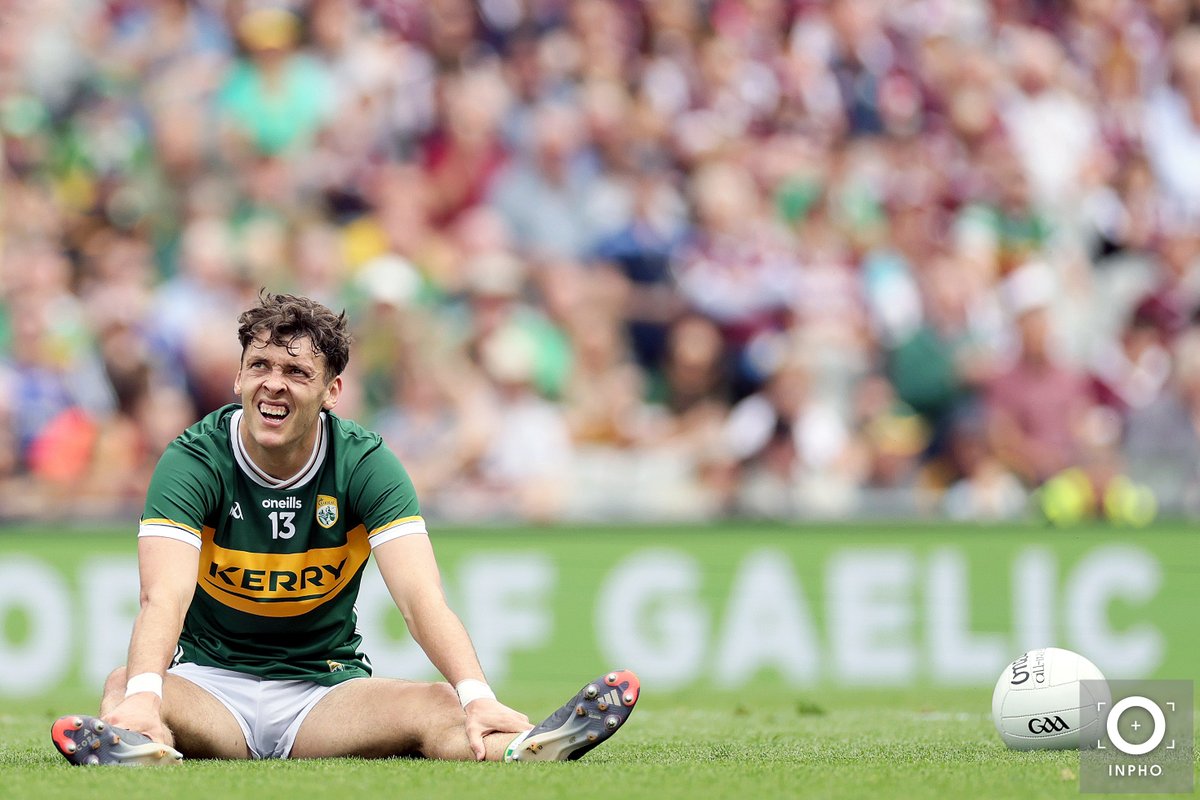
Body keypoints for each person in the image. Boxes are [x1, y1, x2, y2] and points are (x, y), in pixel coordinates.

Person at [50, 292, 639, 766]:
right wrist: (148, 698)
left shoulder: (365, 462)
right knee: (126, 684)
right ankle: (144, 747)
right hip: (211, 687)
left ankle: (525, 747)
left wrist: (476, 695)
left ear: (332, 391)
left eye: (296, 372)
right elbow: (163, 596)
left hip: (323, 693)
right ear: (237, 378)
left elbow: (420, 601)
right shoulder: (193, 459)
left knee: (441, 706)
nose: (273, 383)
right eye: (260, 365)